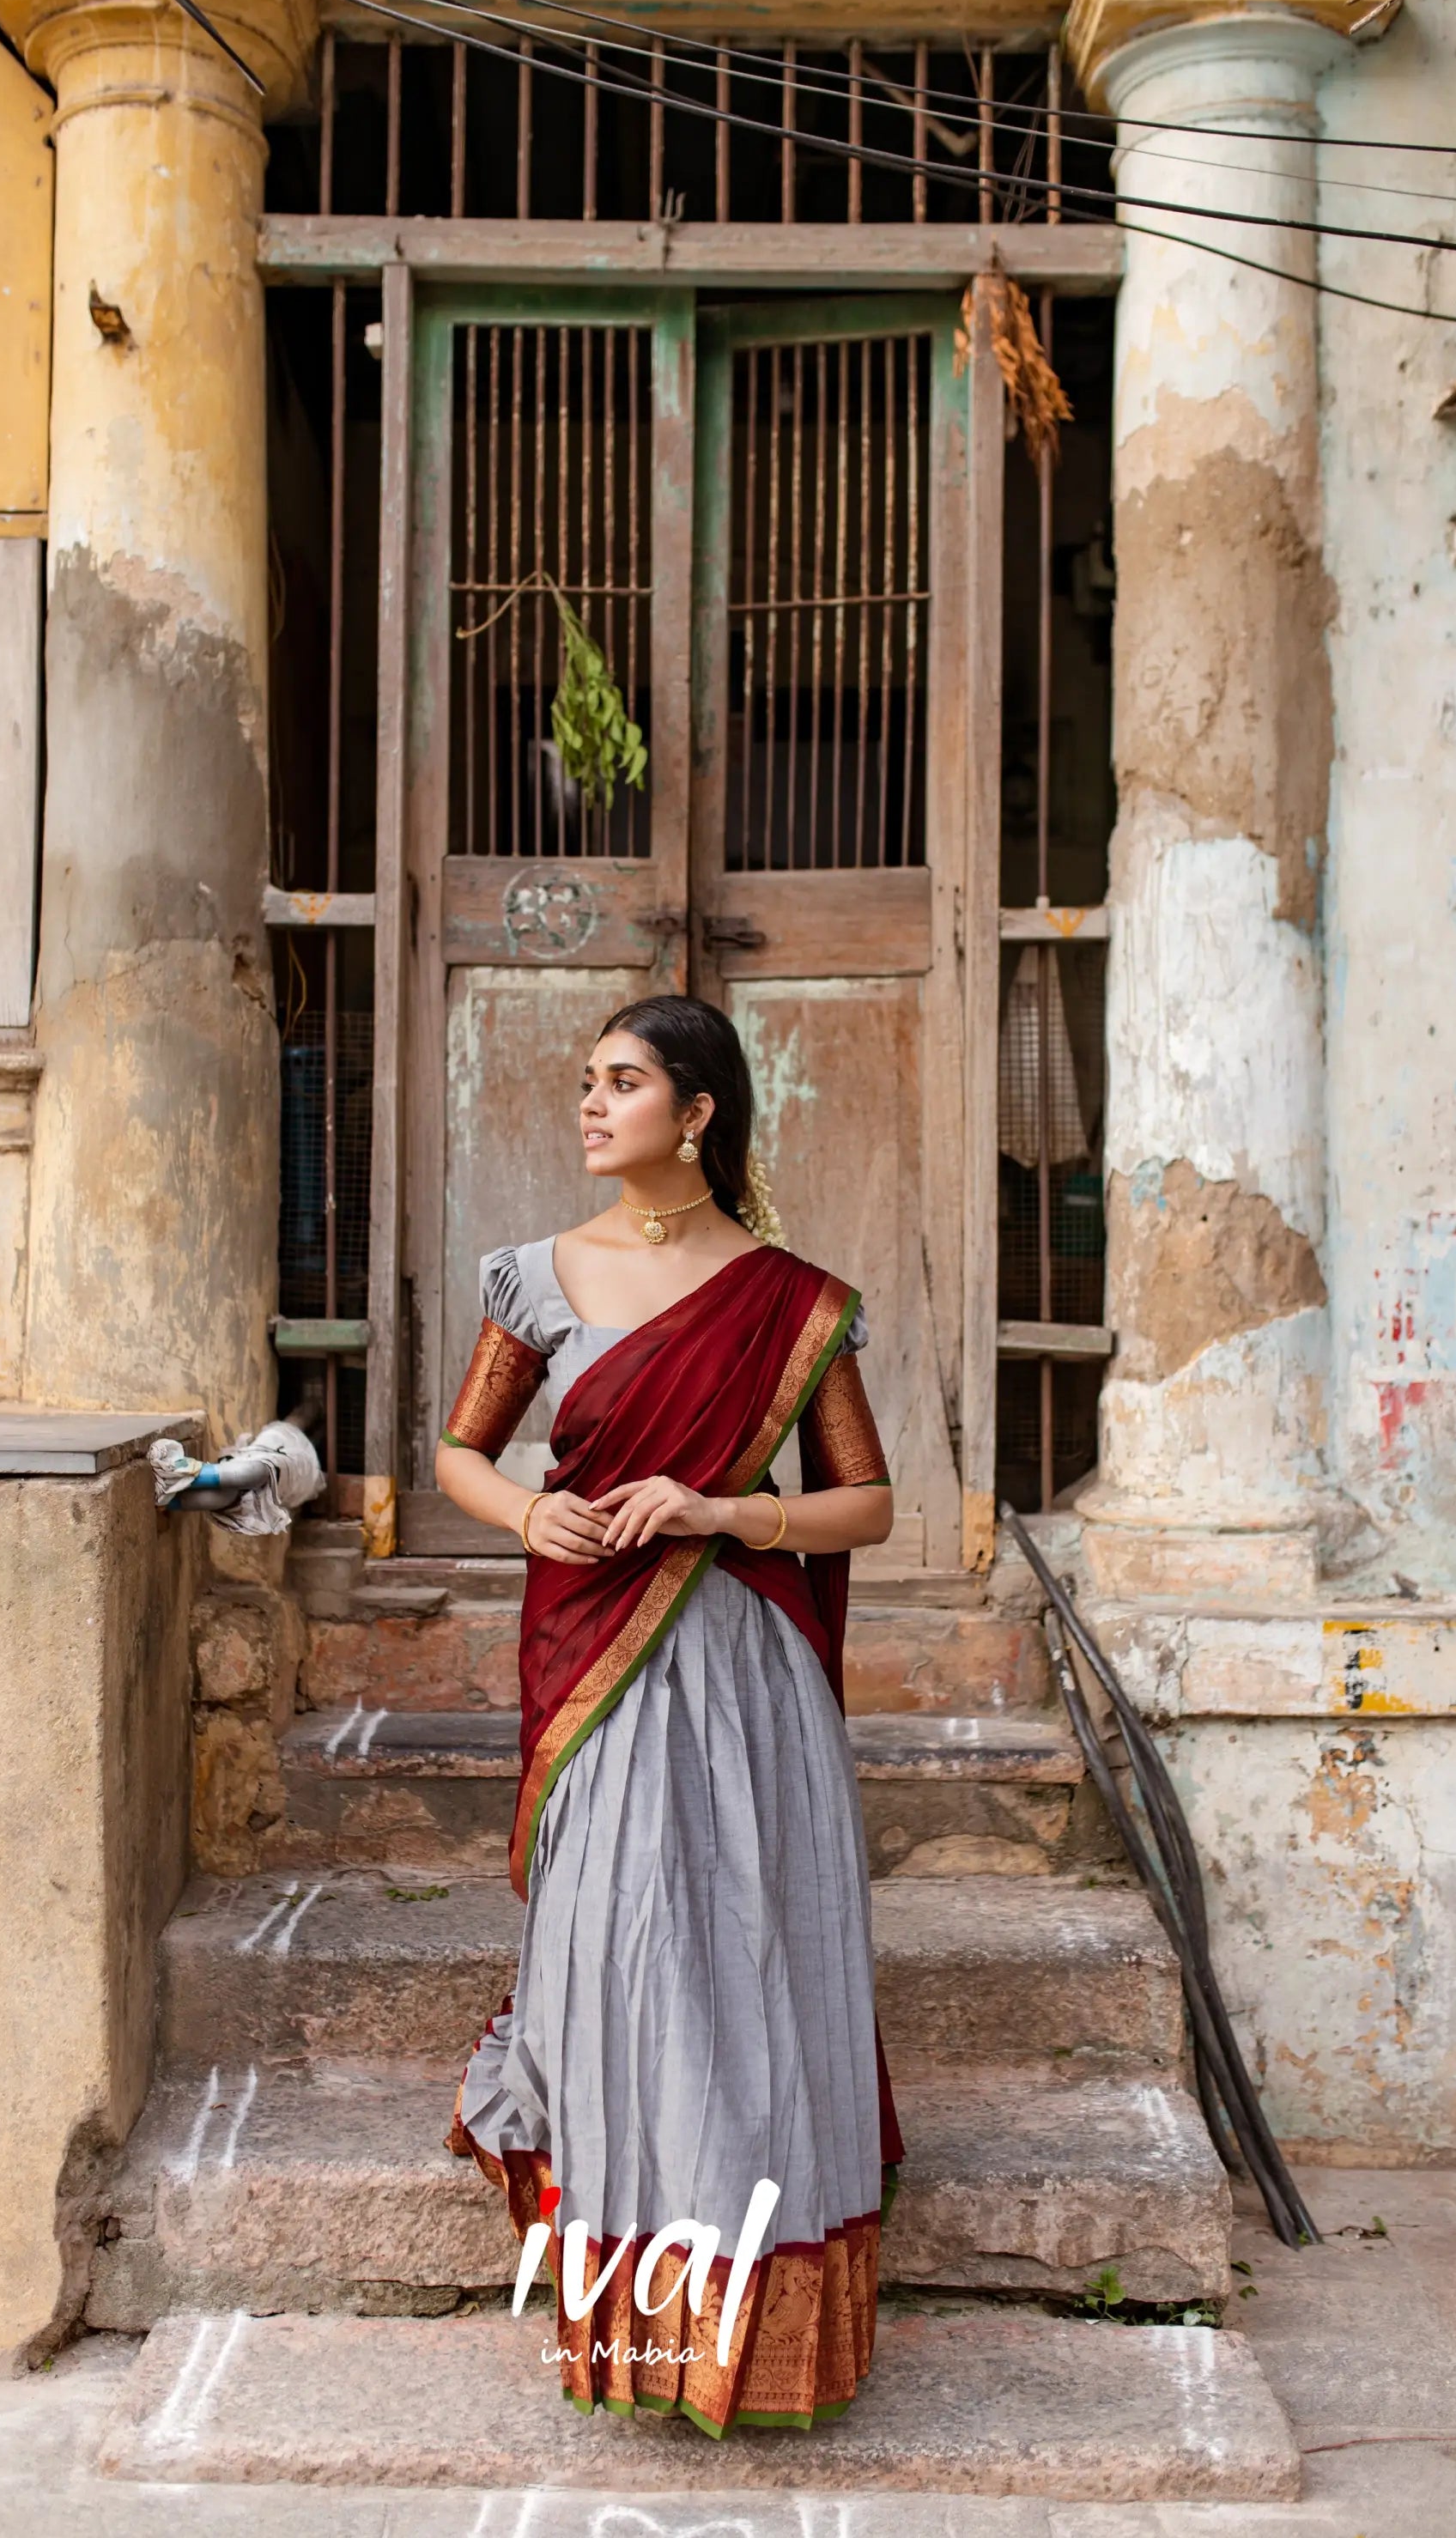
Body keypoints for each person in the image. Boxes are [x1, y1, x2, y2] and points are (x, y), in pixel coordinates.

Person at [439, 993, 901, 2438]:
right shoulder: (537, 1277)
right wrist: (532, 1515)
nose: (589, 1104)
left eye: (622, 1082)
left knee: (746, 1968)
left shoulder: (791, 1303)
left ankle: (755, 2329)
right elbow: (460, 1453)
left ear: (695, 1114)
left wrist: (719, 1508)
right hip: (597, 1670)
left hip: (743, 1681)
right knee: (613, 1954)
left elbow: (869, 1505)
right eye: (587, 1080)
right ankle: (634, 2315)